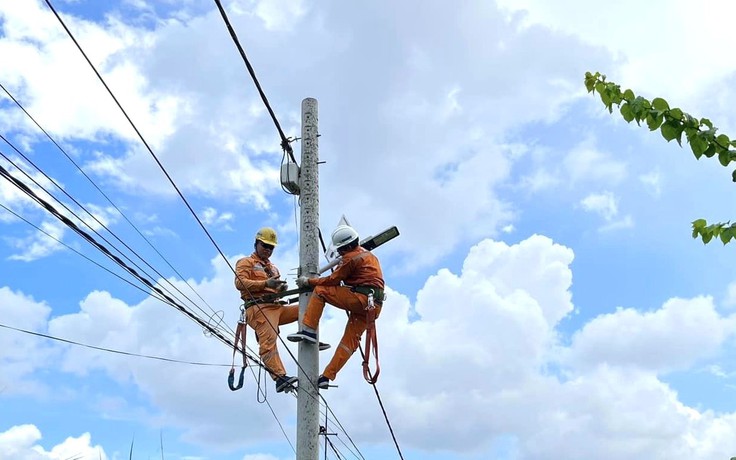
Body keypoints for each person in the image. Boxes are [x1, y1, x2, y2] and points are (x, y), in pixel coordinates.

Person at [288, 224, 384, 389]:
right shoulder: (370, 256)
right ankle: (327, 376)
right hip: (374, 306)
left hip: (360, 299)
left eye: (340, 250)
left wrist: (308, 281)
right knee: (349, 342)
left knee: (321, 290)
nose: (339, 253)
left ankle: (308, 330)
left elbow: (332, 280)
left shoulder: (351, 258)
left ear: (346, 246)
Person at [233, 227, 298, 393]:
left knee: (308, 308)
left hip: (276, 307)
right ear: (256, 244)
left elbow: (275, 289)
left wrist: (280, 289)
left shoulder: (274, 268)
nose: (268, 250)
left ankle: (309, 333)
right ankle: (279, 377)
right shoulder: (246, 262)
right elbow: (240, 283)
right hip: (259, 308)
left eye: (271, 247)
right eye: (265, 246)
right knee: (268, 343)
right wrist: (265, 284)